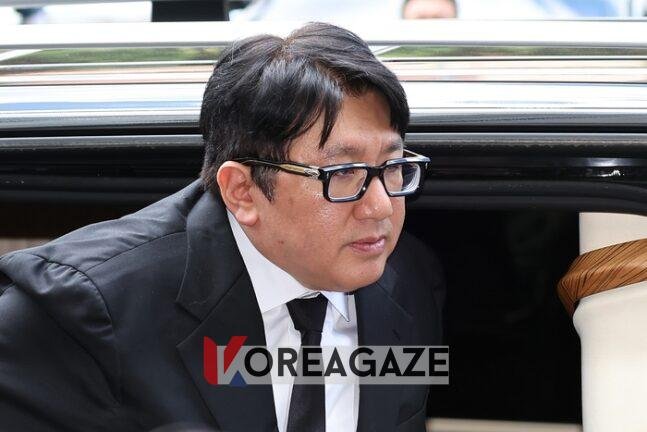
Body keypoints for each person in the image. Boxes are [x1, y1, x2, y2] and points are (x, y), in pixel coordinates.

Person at [0, 23, 445, 432]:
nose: (381, 206)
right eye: (343, 173)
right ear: (243, 191)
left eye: (392, 166)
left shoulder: (408, 279)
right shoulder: (87, 311)